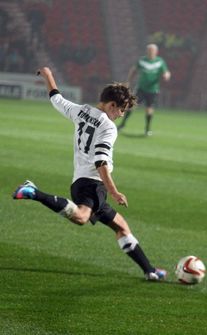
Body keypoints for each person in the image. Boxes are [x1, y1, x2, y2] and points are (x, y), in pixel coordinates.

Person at [13, 67, 167, 281]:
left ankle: (150, 270)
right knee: (81, 217)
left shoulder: (81, 111)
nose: (122, 114)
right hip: (93, 184)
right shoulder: (109, 127)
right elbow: (101, 160)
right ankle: (34, 191)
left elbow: (56, 99)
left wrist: (48, 75)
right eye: (121, 110)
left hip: (81, 181)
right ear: (112, 105)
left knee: (121, 226)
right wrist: (114, 191)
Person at [117, 43, 171, 136]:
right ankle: (122, 124)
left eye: (152, 50)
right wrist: (128, 81)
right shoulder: (142, 60)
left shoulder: (160, 61)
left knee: (149, 108)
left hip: (153, 90)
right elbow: (133, 70)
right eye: (149, 50)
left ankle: (147, 128)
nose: (150, 52)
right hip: (141, 88)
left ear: (156, 52)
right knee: (131, 106)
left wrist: (166, 76)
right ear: (147, 51)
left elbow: (166, 72)